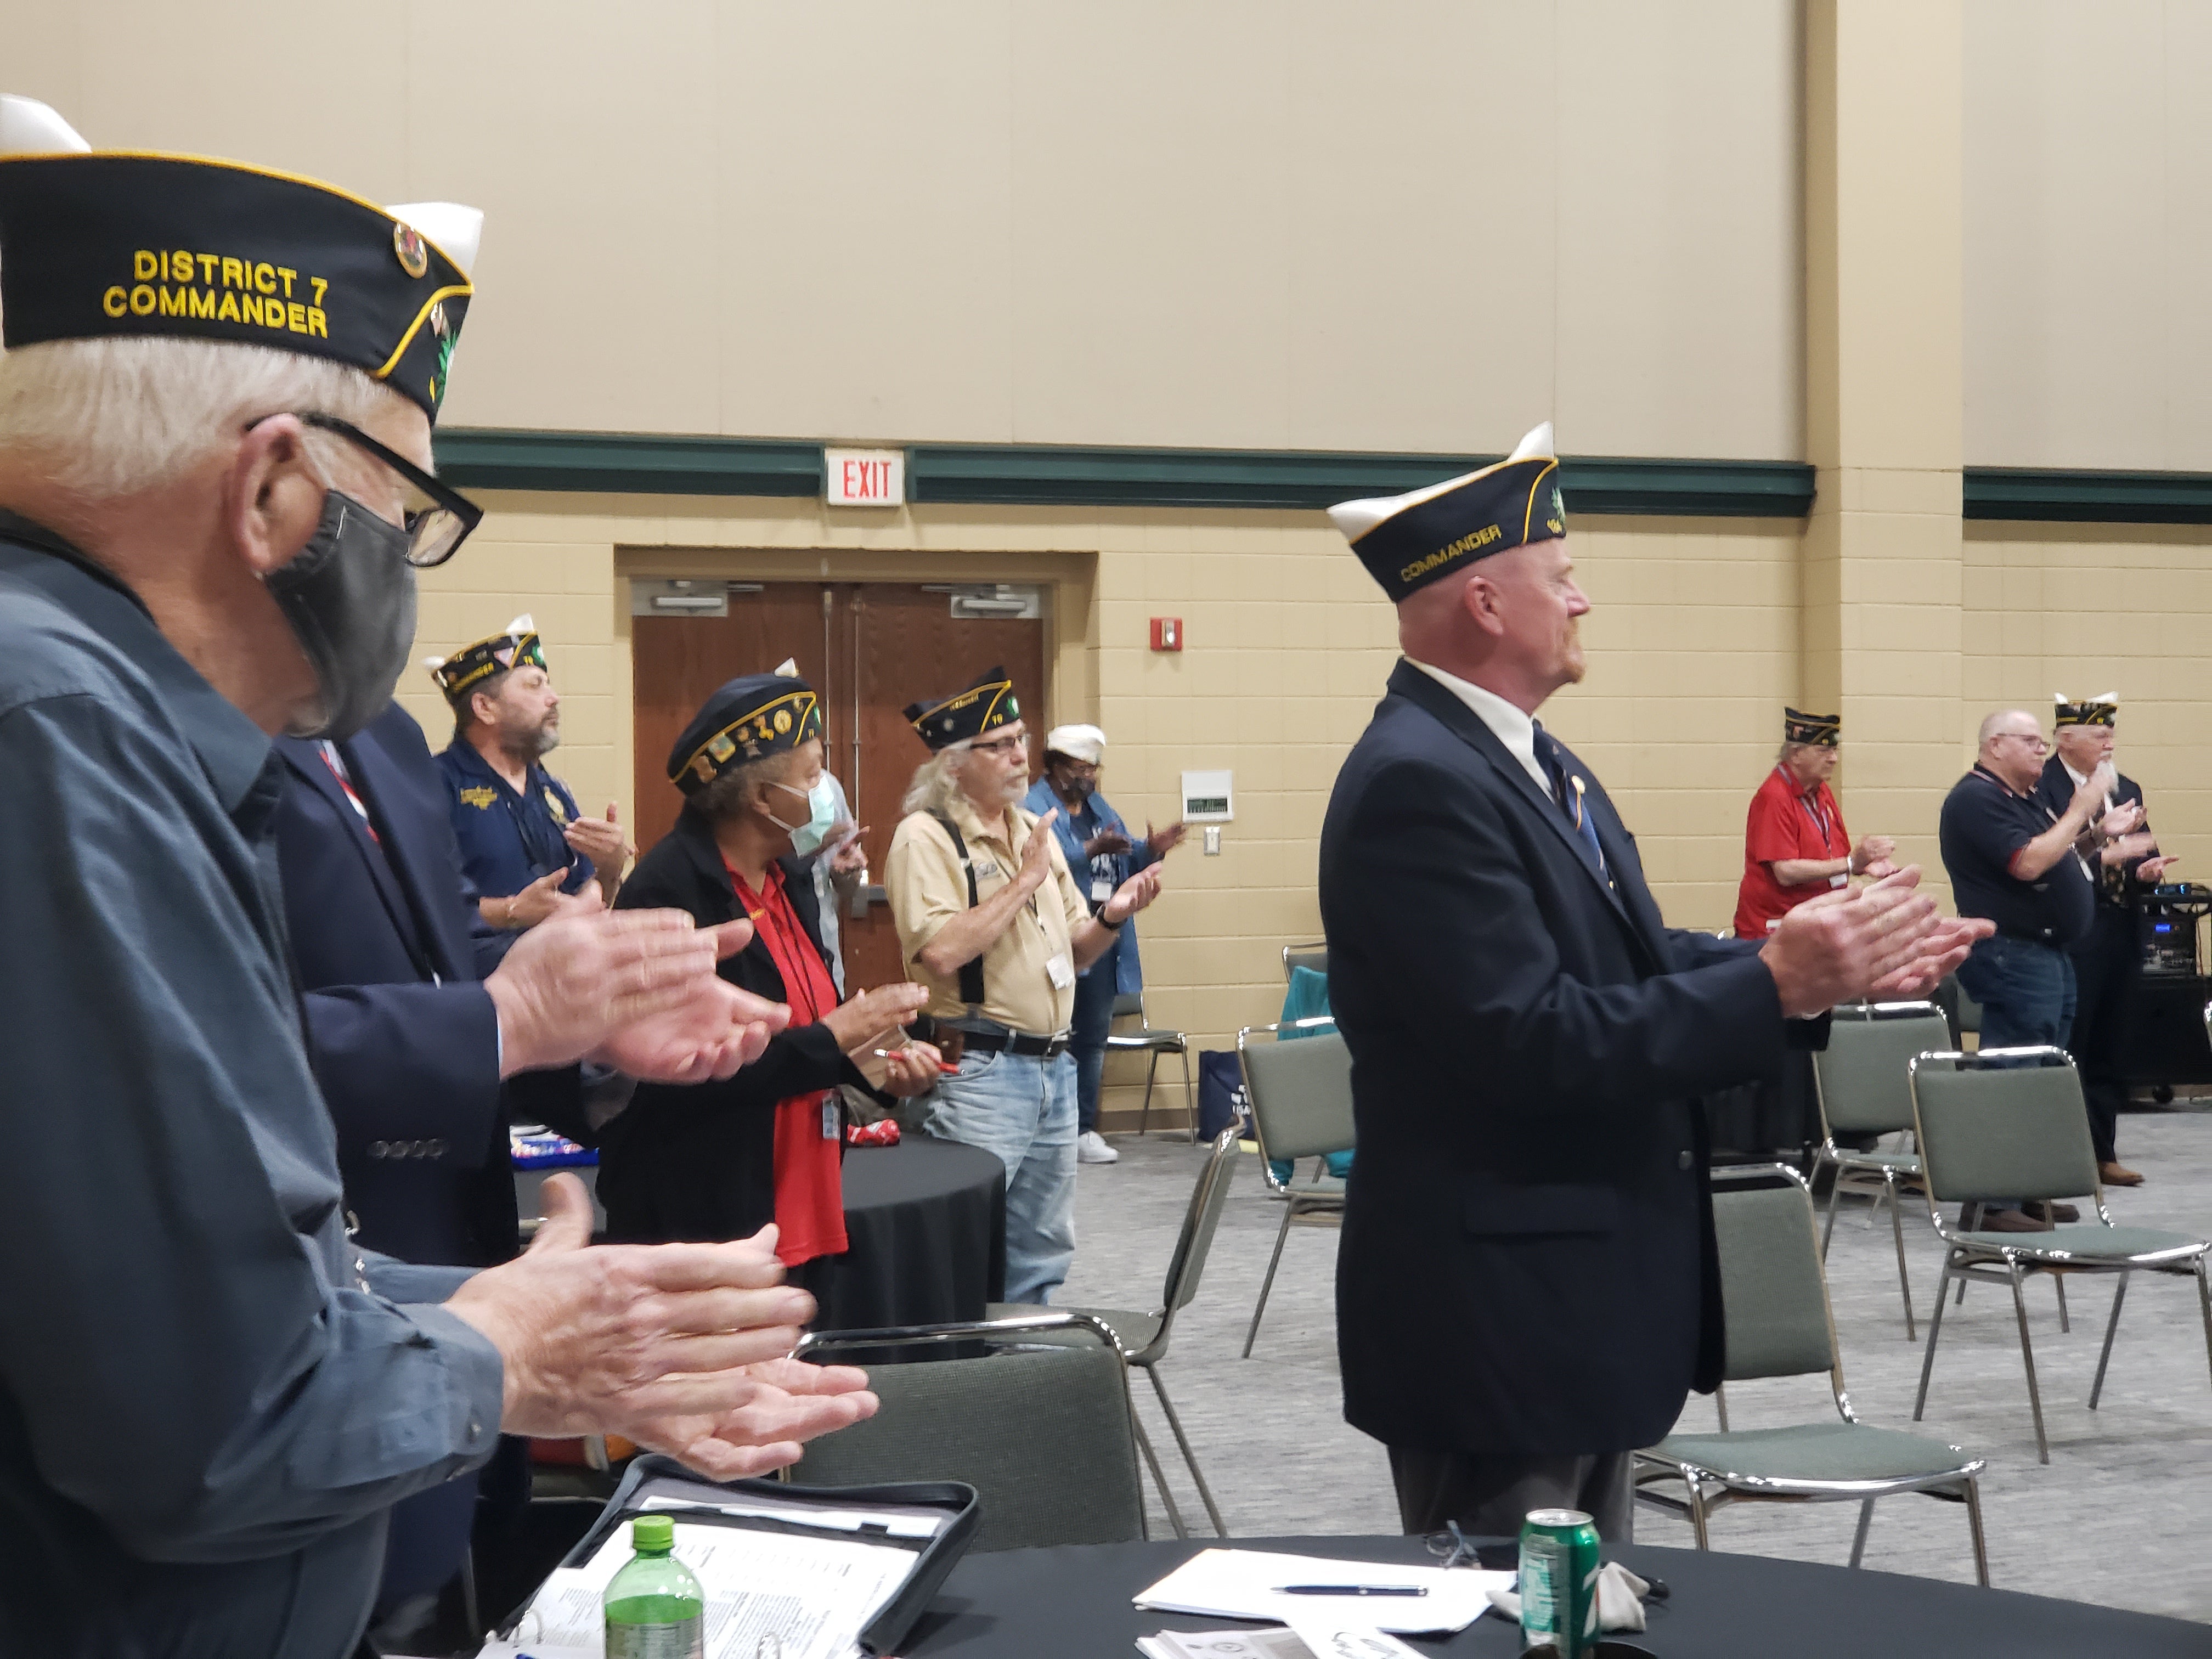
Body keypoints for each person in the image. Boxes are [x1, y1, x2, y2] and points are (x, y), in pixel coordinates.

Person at [0, 106, 873, 1657]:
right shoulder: (65, 728)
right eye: (408, 518)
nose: (404, 570)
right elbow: (210, 1419)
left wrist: (528, 1286)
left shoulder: (139, 713)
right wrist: (508, 1346)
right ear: (275, 493)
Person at [1318, 421, 1984, 1542]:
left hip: (1566, 1302)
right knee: (1517, 1618)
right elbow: (1528, 1040)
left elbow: (1628, 957)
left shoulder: (1522, 756)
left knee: (1583, 1617)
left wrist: (1814, 958)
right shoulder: (1417, 784)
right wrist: (1770, 985)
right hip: (1498, 1318)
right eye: (1564, 580)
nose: (1582, 602)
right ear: (1487, 603)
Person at [599, 668, 942, 1319]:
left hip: (803, 1198)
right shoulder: (671, 894)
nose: (828, 796)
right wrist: (839, 1035)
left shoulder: (786, 879)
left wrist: (875, 1070)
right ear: (761, 796)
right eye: (813, 777)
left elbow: (801, 1042)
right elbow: (693, 1072)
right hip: (707, 1211)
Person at [885, 667, 1165, 1303]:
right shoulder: (926, 837)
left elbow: (1074, 946)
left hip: (1052, 1070)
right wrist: (1023, 882)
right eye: (1002, 744)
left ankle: (1022, 1385)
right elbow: (942, 951)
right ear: (954, 764)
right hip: (979, 1072)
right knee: (962, 1244)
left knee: (1040, 1249)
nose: (1020, 756)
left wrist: (1114, 913)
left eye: (1021, 738)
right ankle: (956, 1385)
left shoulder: (1026, 829)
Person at [1939, 709, 2127, 1231]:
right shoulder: (1975, 798)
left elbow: (2056, 854)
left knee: (2044, 1075)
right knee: (2012, 1073)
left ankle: (2024, 1189)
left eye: (2042, 742)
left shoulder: (2022, 799)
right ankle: (1991, 1202)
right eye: (2028, 741)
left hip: (2047, 953)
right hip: (2012, 954)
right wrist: (2083, 805)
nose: (2040, 750)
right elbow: (2025, 864)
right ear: (1994, 745)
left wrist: (2094, 835)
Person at [1024, 722, 1186, 1163]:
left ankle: (1082, 1129)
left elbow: (1126, 850)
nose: (1090, 777)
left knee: (1092, 1037)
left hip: (1101, 932)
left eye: (1094, 769)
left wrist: (1151, 849)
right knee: (1053, 1035)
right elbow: (1039, 860)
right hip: (1055, 939)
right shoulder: (1032, 806)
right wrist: (1091, 850)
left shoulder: (1096, 806)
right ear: (1055, 767)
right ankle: (1047, 1127)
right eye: (1081, 768)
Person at [2034, 693, 2172, 1188]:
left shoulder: (2125, 786)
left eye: (2111, 734)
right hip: (2075, 932)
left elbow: (2139, 851)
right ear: (2066, 739)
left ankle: (2102, 1151)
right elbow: (2047, 860)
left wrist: (2147, 872)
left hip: (2119, 925)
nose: (2109, 743)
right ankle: (2063, 1154)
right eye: (2099, 735)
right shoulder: (2043, 788)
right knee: (2076, 1042)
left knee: (2113, 1040)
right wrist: (2105, 856)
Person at [430, 613, 632, 926]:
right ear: (485, 708)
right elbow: (425, 905)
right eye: (535, 686)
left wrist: (609, 867)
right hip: (482, 971)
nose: (554, 698)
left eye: (548, 685)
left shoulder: (553, 791)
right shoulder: (436, 785)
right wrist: (511, 910)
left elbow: (586, 912)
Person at [1732, 707, 1895, 940]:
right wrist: (1849, 863)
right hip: (1775, 931)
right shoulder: (1774, 797)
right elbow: (1785, 872)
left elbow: (1832, 856)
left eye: (1835, 750)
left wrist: (1863, 864)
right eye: (1823, 751)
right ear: (1796, 754)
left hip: (1815, 923)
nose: (1834, 759)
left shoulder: (1820, 791)